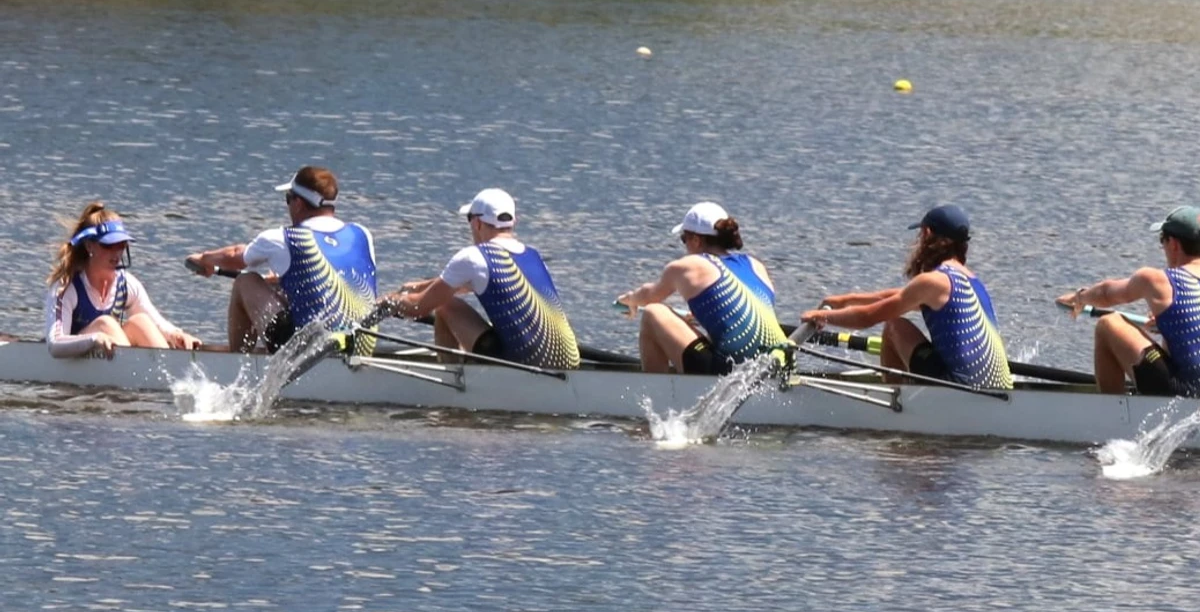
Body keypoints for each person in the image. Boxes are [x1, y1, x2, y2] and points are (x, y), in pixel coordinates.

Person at [801, 204, 1012, 389]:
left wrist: (822, 316)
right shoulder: (971, 281)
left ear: (927, 233)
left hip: (961, 389)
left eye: (919, 236)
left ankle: (898, 400)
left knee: (894, 326)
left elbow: (868, 317)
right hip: (999, 387)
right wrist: (844, 301)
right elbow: (897, 296)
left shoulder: (933, 281)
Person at [1054, 206, 1200, 396]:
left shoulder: (1158, 280)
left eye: (1161, 240)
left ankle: (1114, 415)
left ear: (1173, 244)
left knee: (1108, 323)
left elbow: (1106, 294)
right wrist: (1168, 326)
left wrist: (1078, 297)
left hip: (1187, 394)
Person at [185, 166, 378, 354]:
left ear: (299, 203)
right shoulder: (361, 234)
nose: (288, 206)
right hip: (361, 345)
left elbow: (237, 256)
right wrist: (278, 283)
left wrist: (205, 259)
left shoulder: (284, 238)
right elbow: (332, 282)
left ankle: (237, 365)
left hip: (309, 353)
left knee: (245, 281)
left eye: (288, 199)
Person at [382, 189, 581, 370]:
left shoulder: (473, 257)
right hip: (569, 360)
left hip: (524, 363)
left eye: (469, 220)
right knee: (448, 299)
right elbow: (464, 284)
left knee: (444, 306)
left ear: (477, 223)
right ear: (513, 222)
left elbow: (419, 307)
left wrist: (388, 302)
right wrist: (418, 286)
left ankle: (454, 380)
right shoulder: (533, 256)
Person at [615, 202, 788, 374]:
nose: (684, 245)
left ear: (696, 240)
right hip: (780, 364)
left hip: (732, 374)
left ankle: (654, 394)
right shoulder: (756, 265)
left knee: (653, 313)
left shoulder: (689, 265)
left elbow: (649, 296)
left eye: (684, 239)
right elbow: (739, 316)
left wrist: (630, 299)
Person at [45, 203, 200, 358]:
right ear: (89, 246)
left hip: (110, 356)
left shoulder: (126, 284)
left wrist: (176, 335)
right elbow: (55, 344)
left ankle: (170, 373)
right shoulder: (66, 287)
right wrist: (94, 339)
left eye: (121, 244)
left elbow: (157, 321)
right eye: (108, 245)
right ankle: (134, 373)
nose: (116, 253)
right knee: (105, 324)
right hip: (70, 358)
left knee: (141, 322)